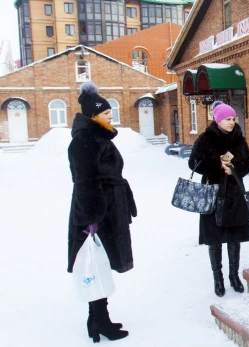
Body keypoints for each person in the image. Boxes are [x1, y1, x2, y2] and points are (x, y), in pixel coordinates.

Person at [67, 82, 137, 342]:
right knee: (95, 265)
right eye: (106, 114)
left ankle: (99, 319)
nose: (111, 117)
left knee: (101, 265)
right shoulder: (84, 141)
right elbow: (85, 182)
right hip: (96, 215)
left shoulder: (97, 137)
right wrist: (92, 219)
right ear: (94, 116)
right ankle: (98, 320)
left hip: (107, 210)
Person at [188, 101, 249, 297]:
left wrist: (234, 169)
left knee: (234, 238)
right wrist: (217, 166)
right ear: (218, 120)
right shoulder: (205, 139)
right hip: (213, 193)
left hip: (233, 193)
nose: (232, 122)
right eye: (227, 119)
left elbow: (248, 163)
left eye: (233, 118)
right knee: (214, 239)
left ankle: (234, 276)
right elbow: (193, 163)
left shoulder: (239, 140)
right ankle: (218, 278)